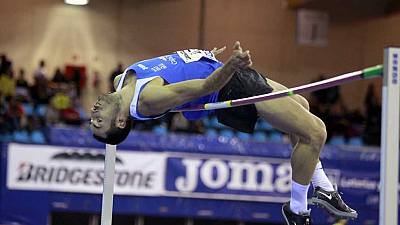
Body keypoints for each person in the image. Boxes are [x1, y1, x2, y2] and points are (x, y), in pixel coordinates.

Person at [90, 42, 357, 225]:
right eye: (98, 121)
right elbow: (203, 87)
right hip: (228, 86)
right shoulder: (148, 98)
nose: (94, 111)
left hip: (221, 72)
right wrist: (230, 65)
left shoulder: (120, 80)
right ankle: (298, 210)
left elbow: (170, 66)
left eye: (92, 118)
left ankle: (321, 187)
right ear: (122, 121)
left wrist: (201, 57)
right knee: (315, 132)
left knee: (302, 104)